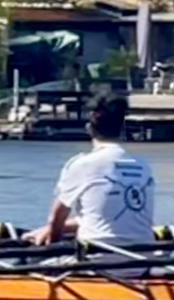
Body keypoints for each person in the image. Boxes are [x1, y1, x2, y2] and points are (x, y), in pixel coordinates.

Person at [25, 95, 156, 247]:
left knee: (29, 261)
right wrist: (50, 229)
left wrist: (50, 245)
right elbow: (105, 217)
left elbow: (56, 219)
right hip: (142, 259)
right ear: (122, 128)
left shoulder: (82, 164)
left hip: (96, 259)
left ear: (89, 129)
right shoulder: (143, 166)